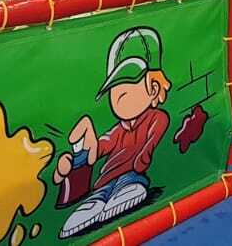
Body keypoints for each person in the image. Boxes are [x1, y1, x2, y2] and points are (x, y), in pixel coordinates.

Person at [53, 27, 172, 238]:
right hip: (105, 180)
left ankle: (124, 190)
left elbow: (151, 142)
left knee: (130, 183)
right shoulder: (117, 130)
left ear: (154, 88)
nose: (118, 97)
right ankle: (94, 203)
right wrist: (75, 160)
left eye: (128, 86)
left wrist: (141, 161)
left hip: (132, 175)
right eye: (115, 89)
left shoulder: (156, 118)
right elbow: (101, 147)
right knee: (99, 195)